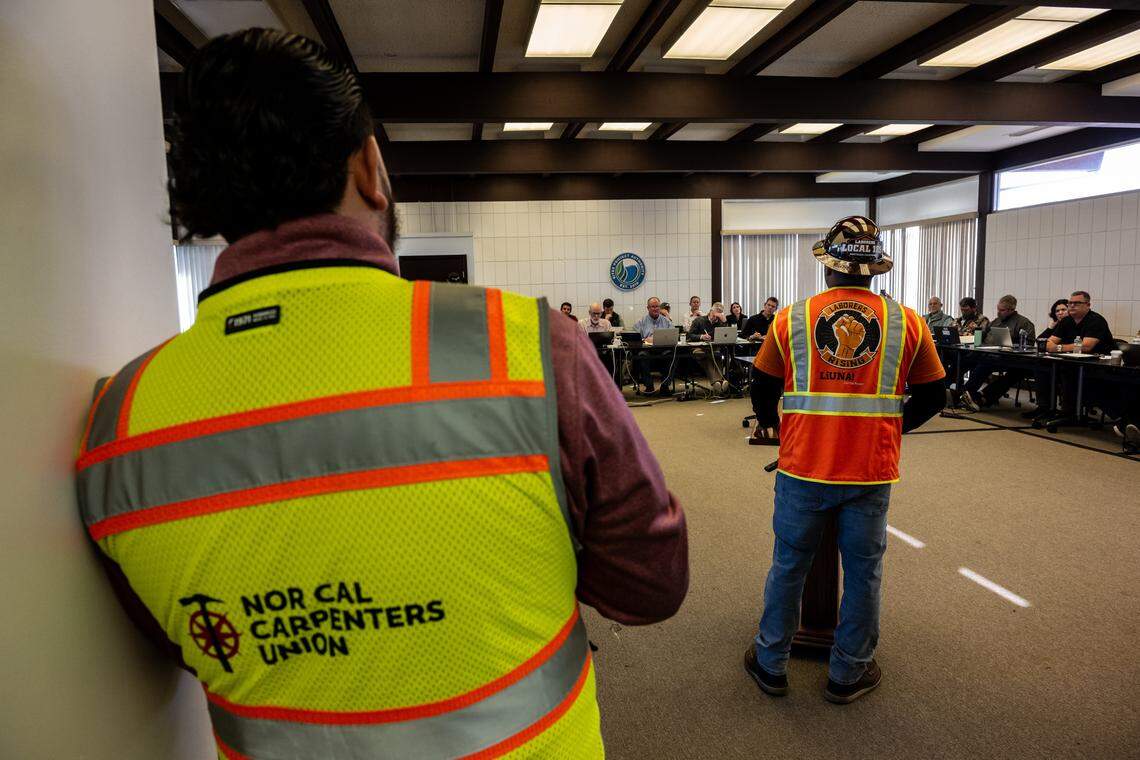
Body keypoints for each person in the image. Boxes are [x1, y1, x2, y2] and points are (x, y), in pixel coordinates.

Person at [74, 30, 688, 759]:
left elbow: (174, 641)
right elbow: (649, 586)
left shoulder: (115, 424)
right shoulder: (524, 347)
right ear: (372, 169)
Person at [744, 216, 946, 705]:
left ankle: (771, 663)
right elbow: (934, 395)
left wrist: (778, 428)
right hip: (870, 471)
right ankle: (848, 674)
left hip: (802, 467)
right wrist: (891, 428)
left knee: (789, 565)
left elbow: (762, 387)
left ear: (828, 267)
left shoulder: (791, 317)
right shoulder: (908, 321)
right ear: (873, 269)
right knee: (863, 573)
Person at [1042, 291, 1116, 425]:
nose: (1072, 306)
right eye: (1070, 303)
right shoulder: (1066, 321)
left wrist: (1058, 348)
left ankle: (1070, 413)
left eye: (1077, 303)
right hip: (1074, 362)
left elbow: (1087, 346)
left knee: (1069, 372)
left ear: (1088, 305)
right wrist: (1057, 346)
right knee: (1044, 369)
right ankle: (1047, 409)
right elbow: (1049, 343)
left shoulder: (1096, 320)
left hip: (1100, 364)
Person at [958, 295, 1036, 412]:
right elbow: (984, 336)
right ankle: (961, 392)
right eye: (998, 309)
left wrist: (1012, 345)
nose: (999, 312)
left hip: (1011, 357)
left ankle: (968, 393)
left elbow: (1029, 344)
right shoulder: (996, 321)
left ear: (1011, 309)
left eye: (1002, 310)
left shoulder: (1024, 323)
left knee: (985, 362)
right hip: (992, 353)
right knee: (966, 358)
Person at [633, 297, 674, 394]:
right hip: (647, 351)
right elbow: (635, 339)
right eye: (653, 307)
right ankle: (649, 386)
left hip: (663, 350)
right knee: (641, 355)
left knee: (672, 355)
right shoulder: (641, 322)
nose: (655, 309)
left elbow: (673, 336)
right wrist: (644, 339)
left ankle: (665, 386)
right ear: (648, 308)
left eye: (657, 306)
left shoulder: (666, 321)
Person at [687, 302, 730, 390]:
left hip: (713, 348)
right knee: (707, 357)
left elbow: (727, 335)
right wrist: (702, 336)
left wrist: (724, 321)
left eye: (718, 314)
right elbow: (689, 335)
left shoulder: (720, 323)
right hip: (699, 348)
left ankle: (718, 383)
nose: (715, 317)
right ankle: (719, 381)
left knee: (717, 356)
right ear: (710, 311)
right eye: (714, 313)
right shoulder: (699, 320)